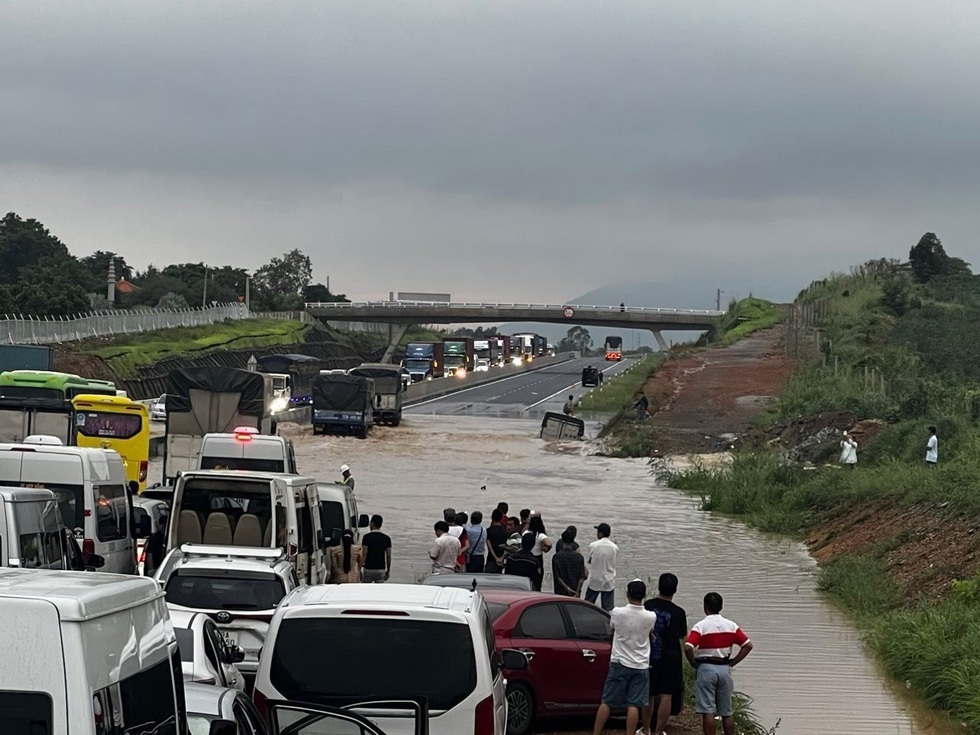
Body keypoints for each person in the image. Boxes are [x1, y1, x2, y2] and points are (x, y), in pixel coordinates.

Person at [591, 579, 657, 735]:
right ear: (644, 595)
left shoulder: (617, 612)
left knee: (607, 702)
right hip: (641, 665)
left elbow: (613, 630)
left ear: (628, 594)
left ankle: (596, 733)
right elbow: (650, 634)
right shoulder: (650, 616)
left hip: (619, 662)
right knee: (633, 705)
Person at [685, 592, 754, 735]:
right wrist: (733, 662)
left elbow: (688, 646)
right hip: (724, 668)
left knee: (708, 710)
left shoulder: (700, 626)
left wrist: (692, 661)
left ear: (705, 607)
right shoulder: (731, 625)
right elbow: (747, 645)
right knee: (726, 711)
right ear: (721, 607)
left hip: (706, 668)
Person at [640, 573, 688, 735]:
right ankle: (658, 731)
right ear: (675, 589)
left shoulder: (648, 605)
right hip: (671, 657)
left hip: (649, 654)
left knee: (649, 693)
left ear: (659, 587)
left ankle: (646, 728)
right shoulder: (678, 612)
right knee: (667, 694)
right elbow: (682, 635)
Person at [585, 523, 618, 612]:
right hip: (608, 580)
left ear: (601, 533)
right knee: (607, 610)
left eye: (598, 531)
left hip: (595, 579)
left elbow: (590, 560)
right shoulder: (615, 547)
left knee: (587, 606)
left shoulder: (593, 545)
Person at [552, 529, 587, 596]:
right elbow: (582, 577)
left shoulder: (556, 557)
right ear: (573, 542)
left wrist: (567, 588)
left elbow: (558, 577)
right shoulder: (579, 557)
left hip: (560, 592)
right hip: (575, 592)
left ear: (562, 541)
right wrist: (577, 591)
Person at [359, 514, 391, 583]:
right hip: (380, 569)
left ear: (372, 523)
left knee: (365, 589)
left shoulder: (367, 537)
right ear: (381, 525)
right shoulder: (386, 538)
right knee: (378, 591)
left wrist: (359, 569)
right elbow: (388, 556)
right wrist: (388, 570)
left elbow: (364, 554)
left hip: (368, 569)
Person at [524, 515, 552, 591]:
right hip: (537, 558)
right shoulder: (541, 535)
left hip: (526, 556)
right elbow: (549, 543)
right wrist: (545, 549)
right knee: (537, 581)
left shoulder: (526, 532)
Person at [485, 508, 510, 573]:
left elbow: (489, 547)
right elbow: (507, 546)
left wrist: (496, 558)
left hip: (491, 559)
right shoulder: (505, 531)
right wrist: (501, 558)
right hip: (502, 560)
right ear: (501, 518)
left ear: (492, 518)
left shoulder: (488, 531)